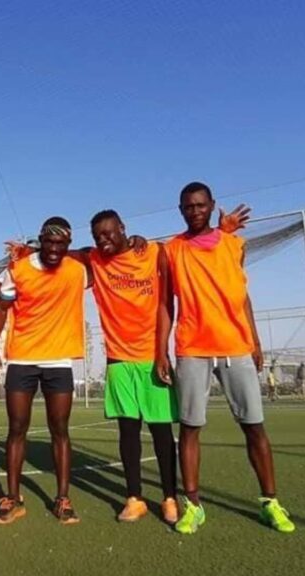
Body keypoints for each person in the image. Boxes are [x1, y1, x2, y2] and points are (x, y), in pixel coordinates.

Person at [156, 181, 295, 534]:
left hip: (236, 346)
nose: (195, 211)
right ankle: (194, 506)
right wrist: (161, 350)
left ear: (211, 205)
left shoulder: (234, 244)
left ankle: (270, 502)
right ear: (180, 210)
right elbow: (165, 304)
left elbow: (242, 295)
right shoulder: (171, 250)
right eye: (188, 206)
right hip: (192, 348)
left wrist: (256, 341)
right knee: (189, 428)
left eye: (201, 205)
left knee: (254, 427)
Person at [78, 209, 181, 524]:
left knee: (162, 432)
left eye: (109, 232)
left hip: (152, 357)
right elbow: (63, 252)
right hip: (118, 359)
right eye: (98, 236)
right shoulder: (94, 259)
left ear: (123, 228)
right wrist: (28, 250)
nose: (104, 239)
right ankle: (134, 498)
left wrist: (163, 351)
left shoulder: (151, 251)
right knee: (128, 433)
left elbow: (167, 303)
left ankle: (169, 498)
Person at [0, 216, 89, 526]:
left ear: (68, 245)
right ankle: (13, 497)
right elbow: (2, 308)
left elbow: (103, 254)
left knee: (60, 429)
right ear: (41, 240)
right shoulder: (18, 270)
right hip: (22, 360)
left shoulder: (78, 270)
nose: (55, 248)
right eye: (49, 242)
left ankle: (62, 499)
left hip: (59, 361)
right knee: (17, 428)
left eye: (61, 243)